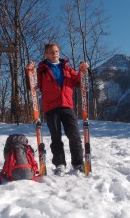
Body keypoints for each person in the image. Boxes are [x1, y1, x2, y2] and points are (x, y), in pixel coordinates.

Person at [37, 42, 88, 176]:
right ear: (46, 54)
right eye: (52, 52)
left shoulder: (66, 67)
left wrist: (82, 70)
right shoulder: (42, 69)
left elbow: (77, 81)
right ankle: (60, 164)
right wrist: (28, 71)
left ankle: (78, 163)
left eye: (56, 51)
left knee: (74, 135)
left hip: (66, 105)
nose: (55, 54)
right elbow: (34, 84)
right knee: (56, 137)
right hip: (51, 107)